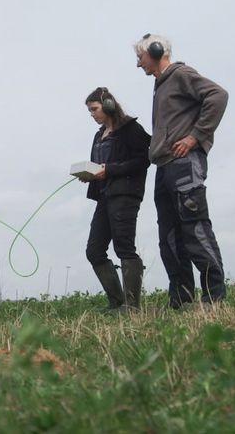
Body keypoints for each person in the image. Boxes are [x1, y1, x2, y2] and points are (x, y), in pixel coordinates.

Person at [134, 33, 228, 308]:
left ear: (155, 51)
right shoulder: (161, 85)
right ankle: (182, 298)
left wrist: (195, 136)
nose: (138, 64)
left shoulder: (180, 74)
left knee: (194, 227)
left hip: (185, 163)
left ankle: (215, 298)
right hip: (164, 166)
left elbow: (218, 96)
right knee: (170, 238)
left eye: (140, 57)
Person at [80, 87, 151, 311]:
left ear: (108, 105)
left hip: (125, 194)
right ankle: (117, 302)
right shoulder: (98, 135)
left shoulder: (131, 129)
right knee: (94, 250)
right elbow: (99, 166)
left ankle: (132, 306)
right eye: (90, 111)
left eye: (95, 109)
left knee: (124, 246)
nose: (92, 114)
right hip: (104, 196)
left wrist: (108, 170)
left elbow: (142, 161)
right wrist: (90, 174)